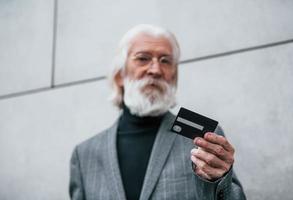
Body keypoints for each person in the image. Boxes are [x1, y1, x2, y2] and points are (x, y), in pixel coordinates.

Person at [69, 24, 246, 200]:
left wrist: (219, 180)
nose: (155, 70)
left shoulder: (202, 135)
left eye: (165, 61)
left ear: (174, 77)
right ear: (119, 75)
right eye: (143, 58)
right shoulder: (85, 154)